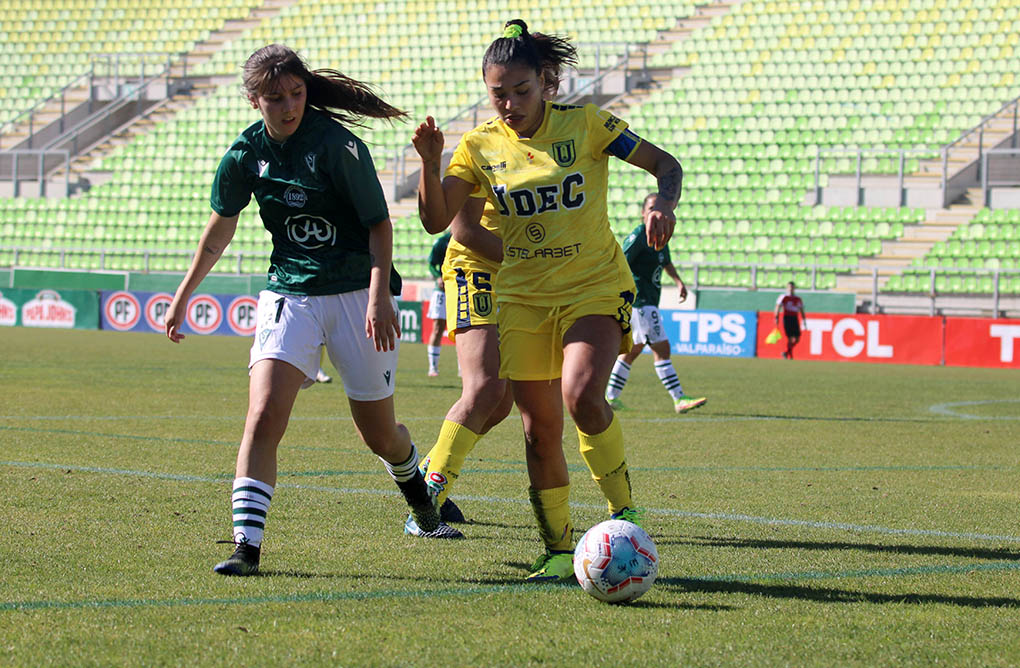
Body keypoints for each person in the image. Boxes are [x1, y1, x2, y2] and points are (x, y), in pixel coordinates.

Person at [412, 20, 683, 581]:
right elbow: (437, 220)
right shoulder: (478, 146)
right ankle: (559, 550)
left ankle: (623, 513)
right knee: (539, 429)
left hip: (593, 285)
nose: (510, 104)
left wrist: (661, 200)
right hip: (522, 299)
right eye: (498, 94)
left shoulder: (589, 125)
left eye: (522, 91)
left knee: (583, 394)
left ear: (547, 82)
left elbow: (666, 164)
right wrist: (429, 163)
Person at [165, 44, 448, 576]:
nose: (289, 105)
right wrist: (184, 294)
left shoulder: (339, 146)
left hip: (355, 293)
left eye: (297, 94)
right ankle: (247, 548)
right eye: (276, 98)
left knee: (379, 435)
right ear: (255, 100)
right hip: (289, 292)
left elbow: (378, 224)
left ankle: (422, 502)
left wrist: (378, 297)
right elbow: (219, 229)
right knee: (263, 414)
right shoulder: (244, 155)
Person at [605, 194, 706, 413]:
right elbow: (622, 258)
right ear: (643, 213)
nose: (655, 212)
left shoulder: (660, 235)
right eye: (651, 208)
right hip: (641, 301)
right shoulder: (640, 234)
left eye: (658, 207)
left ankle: (611, 396)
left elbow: (666, 262)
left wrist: (678, 281)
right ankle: (679, 398)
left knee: (633, 351)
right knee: (662, 349)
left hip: (648, 301)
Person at [425, 231, 451, 377]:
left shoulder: (470, 236)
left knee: (464, 330)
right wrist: (438, 277)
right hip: (442, 291)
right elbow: (431, 264)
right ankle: (432, 367)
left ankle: (463, 369)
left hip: (461, 290)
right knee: (437, 328)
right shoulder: (442, 242)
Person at [775, 281, 808, 359]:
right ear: (787, 288)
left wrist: (804, 320)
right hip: (787, 318)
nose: (790, 289)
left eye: (792, 287)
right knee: (790, 337)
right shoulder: (783, 297)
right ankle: (789, 354)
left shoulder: (797, 298)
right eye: (789, 287)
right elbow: (777, 307)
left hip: (794, 318)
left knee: (797, 338)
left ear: (794, 288)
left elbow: (801, 309)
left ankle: (786, 352)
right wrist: (776, 317)